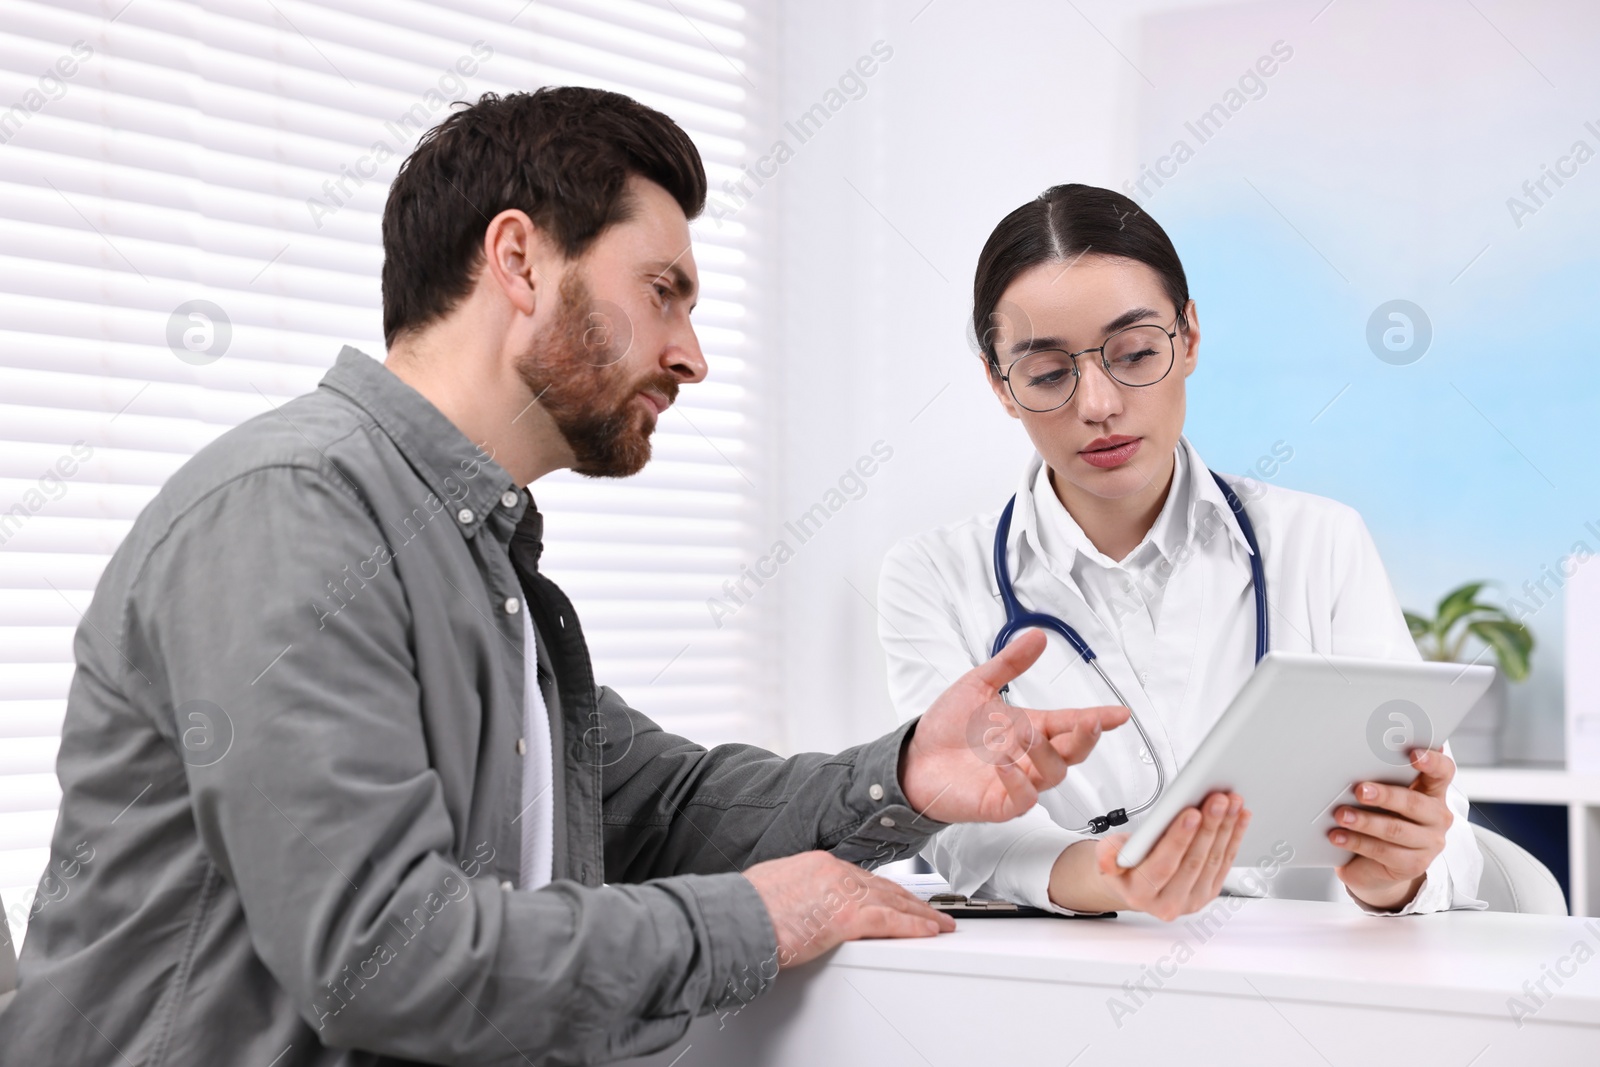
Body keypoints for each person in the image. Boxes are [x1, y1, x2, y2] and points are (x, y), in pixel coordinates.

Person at [0, 92, 1130, 1066]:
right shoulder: (293, 507)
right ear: (519, 259)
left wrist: (906, 774)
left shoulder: (482, 562)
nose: (691, 352)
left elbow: (665, 807)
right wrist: (756, 917)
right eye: (663, 290)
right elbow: (385, 954)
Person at [877, 183, 1484, 922]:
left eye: (1134, 352)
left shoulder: (1319, 542)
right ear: (1000, 385)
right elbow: (953, 824)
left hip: (1312, 983)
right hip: (1069, 986)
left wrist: (1396, 871)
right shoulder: (935, 576)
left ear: (1189, 336)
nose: (1097, 403)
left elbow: (1438, 811)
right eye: (1046, 374)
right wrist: (1112, 876)